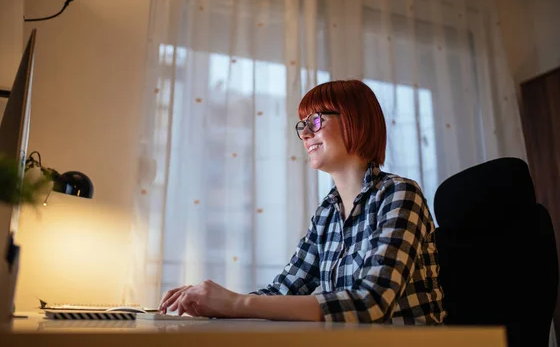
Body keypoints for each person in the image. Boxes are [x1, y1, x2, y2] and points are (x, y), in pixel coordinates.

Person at [158, 79, 446, 324]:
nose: (306, 134)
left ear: (354, 120)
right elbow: (284, 290)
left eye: (316, 121)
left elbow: (370, 302)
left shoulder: (399, 194)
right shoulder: (327, 214)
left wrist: (235, 304)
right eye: (303, 126)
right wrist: (213, 303)